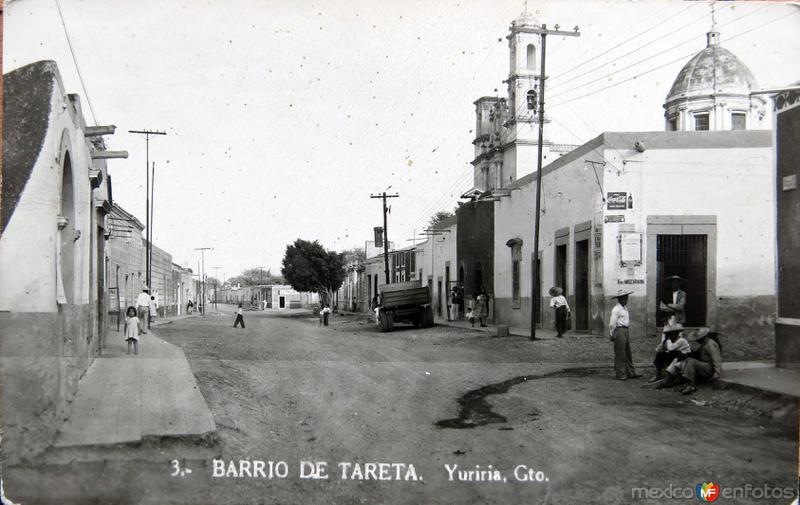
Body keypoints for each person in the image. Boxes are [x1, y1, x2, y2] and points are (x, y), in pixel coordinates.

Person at [663, 329, 722, 394]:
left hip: (709, 367)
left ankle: (691, 385)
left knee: (691, 362)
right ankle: (684, 383)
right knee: (687, 360)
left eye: (698, 339)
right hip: (704, 365)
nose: (697, 341)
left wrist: (717, 373)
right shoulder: (704, 344)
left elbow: (717, 359)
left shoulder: (710, 344)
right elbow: (697, 354)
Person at [608, 289, 641, 380]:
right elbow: (612, 323)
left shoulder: (624, 308)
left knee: (627, 352)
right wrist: (612, 333)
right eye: (624, 298)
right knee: (620, 353)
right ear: (620, 299)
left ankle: (631, 372)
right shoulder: (616, 309)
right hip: (619, 330)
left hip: (626, 330)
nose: (626, 299)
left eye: (627, 297)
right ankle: (621, 374)